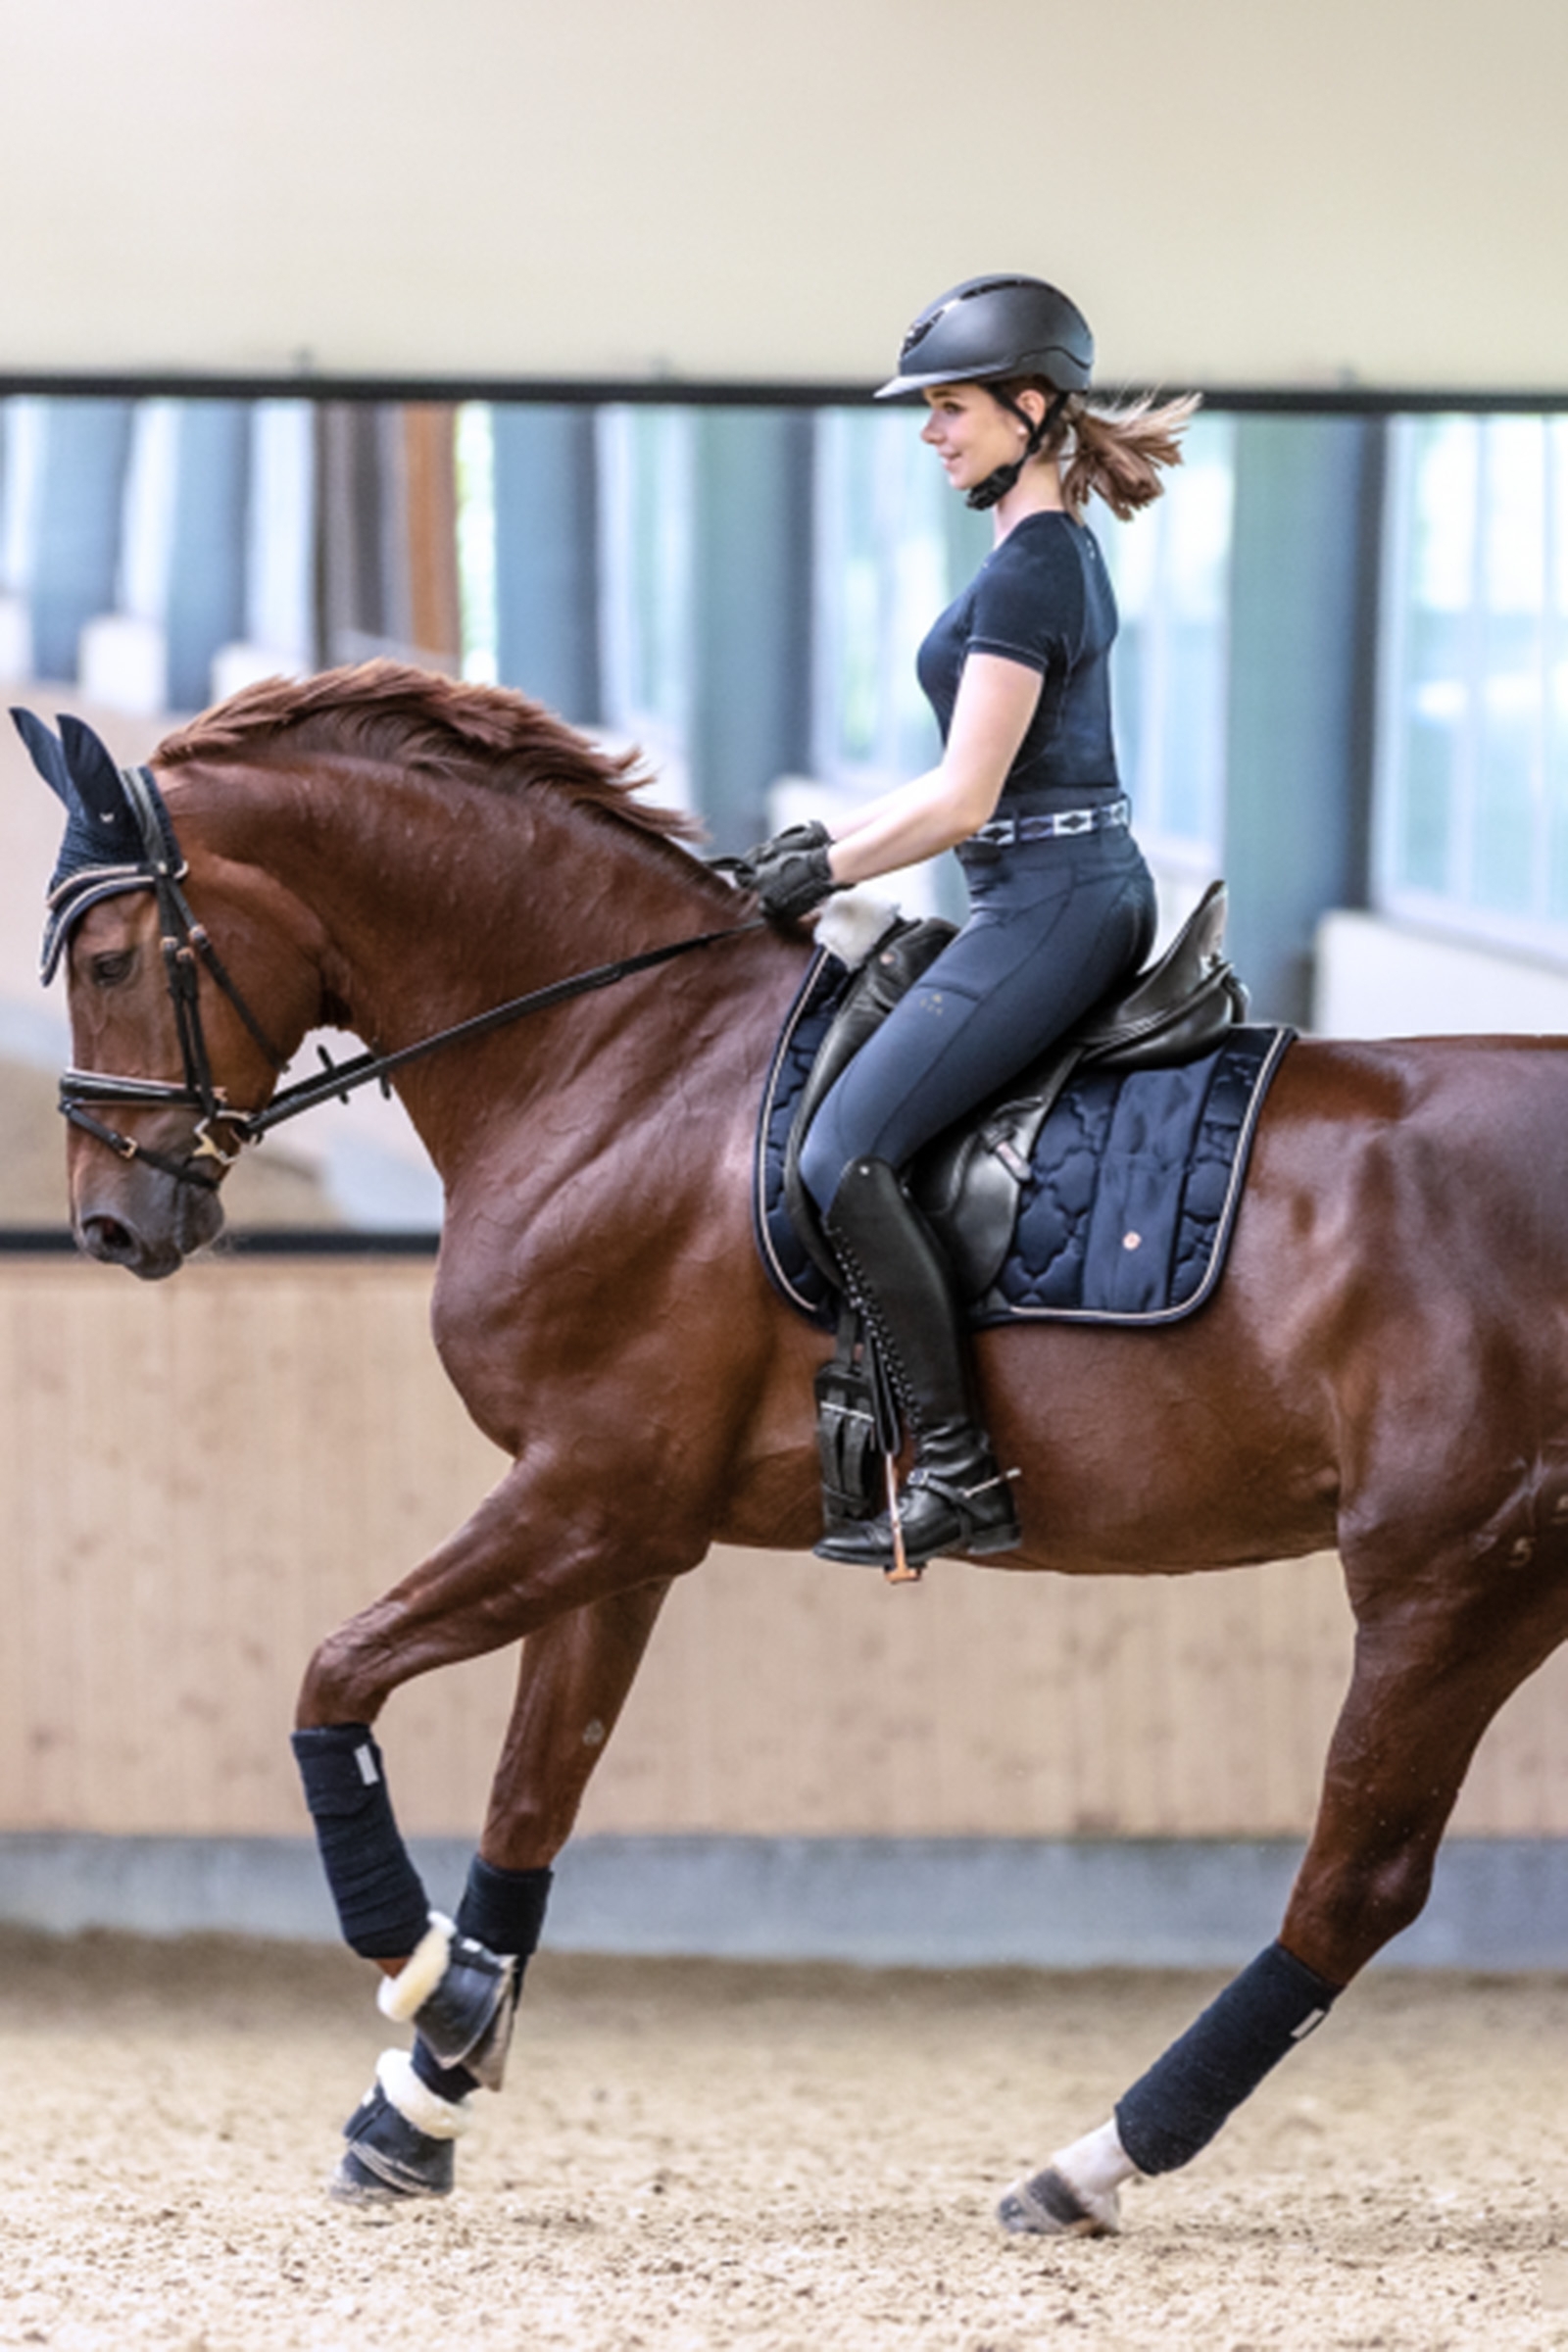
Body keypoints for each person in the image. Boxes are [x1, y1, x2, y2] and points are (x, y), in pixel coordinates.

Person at [735, 273, 1198, 1571]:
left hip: (1050, 901)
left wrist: (820, 863)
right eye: (930, 411)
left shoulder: (1035, 568)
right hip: (1044, 888)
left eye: (950, 409)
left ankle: (954, 1472)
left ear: (1030, 408)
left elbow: (964, 796)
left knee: (841, 1159)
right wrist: (813, 849)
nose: (932, 433)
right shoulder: (1028, 558)